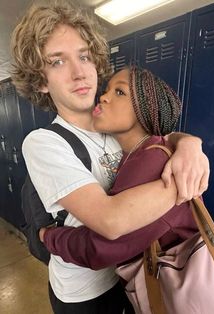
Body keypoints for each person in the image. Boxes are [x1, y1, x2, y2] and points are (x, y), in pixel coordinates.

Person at [10, 1, 209, 313]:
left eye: (84, 57)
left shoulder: (113, 124)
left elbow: (156, 139)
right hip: (84, 294)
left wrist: (190, 144)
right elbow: (110, 221)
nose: (79, 73)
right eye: (58, 62)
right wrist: (184, 186)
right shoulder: (43, 142)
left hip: (131, 277)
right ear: (40, 81)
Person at [39, 66, 198, 274]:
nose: (103, 97)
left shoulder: (153, 161)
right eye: (107, 90)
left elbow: (97, 249)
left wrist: (47, 236)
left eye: (119, 92)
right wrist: (190, 142)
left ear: (145, 109)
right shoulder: (137, 151)